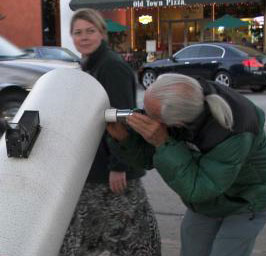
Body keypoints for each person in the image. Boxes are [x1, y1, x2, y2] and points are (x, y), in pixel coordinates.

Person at [107, 73, 266, 256]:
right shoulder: (182, 98)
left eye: (152, 116)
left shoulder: (233, 133)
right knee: (193, 249)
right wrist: (125, 138)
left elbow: (199, 189)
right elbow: (149, 158)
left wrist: (162, 142)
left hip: (248, 198)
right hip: (210, 201)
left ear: (177, 123)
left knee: (225, 251)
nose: (146, 117)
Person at [59, 8, 161, 256]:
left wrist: (119, 166)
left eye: (90, 31)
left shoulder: (111, 68)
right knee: (86, 233)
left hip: (111, 171)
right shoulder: (89, 65)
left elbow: (123, 120)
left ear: (102, 33)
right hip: (94, 169)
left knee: (132, 236)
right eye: (78, 33)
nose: (83, 37)